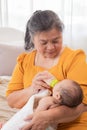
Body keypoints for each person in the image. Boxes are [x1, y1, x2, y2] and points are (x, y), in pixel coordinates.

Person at [5, 10, 87, 130]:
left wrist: (46, 117)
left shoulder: (73, 59)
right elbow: (11, 100)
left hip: (73, 124)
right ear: (33, 39)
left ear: (61, 35)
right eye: (43, 42)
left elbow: (83, 104)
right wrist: (31, 90)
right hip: (35, 123)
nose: (50, 47)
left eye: (56, 40)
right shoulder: (24, 62)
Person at [1, 72, 83, 130]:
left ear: (57, 96)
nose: (56, 82)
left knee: (14, 124)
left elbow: (38, 116)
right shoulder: (62, 106)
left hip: (30, 124)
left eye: (59, 84)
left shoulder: (47, 100)